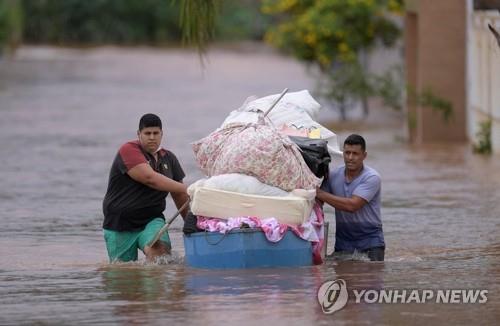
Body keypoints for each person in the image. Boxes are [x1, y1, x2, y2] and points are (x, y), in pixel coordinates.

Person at [102, 113, 189, 262]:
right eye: (147, 133)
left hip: (152, 220)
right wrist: (191, 188)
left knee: (160, 254)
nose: (152, 137)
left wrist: (191, 225)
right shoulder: (128, 150)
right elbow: (150, 179)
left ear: (162, 134)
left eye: (156, 133)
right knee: (123, 275)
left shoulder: (170, 158)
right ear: (139, 134)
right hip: (119, 222)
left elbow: (179, 195)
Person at [316, 134, 385, 261]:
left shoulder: (372, 177)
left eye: (355, 154)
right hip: (343, 243)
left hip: (370, 242)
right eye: (347, 153)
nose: (350, 158)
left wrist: (319, 193)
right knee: (344, 279)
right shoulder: (334, 175)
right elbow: (317, 202)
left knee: (370, 279)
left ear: (364, 156)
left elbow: (352, 205)